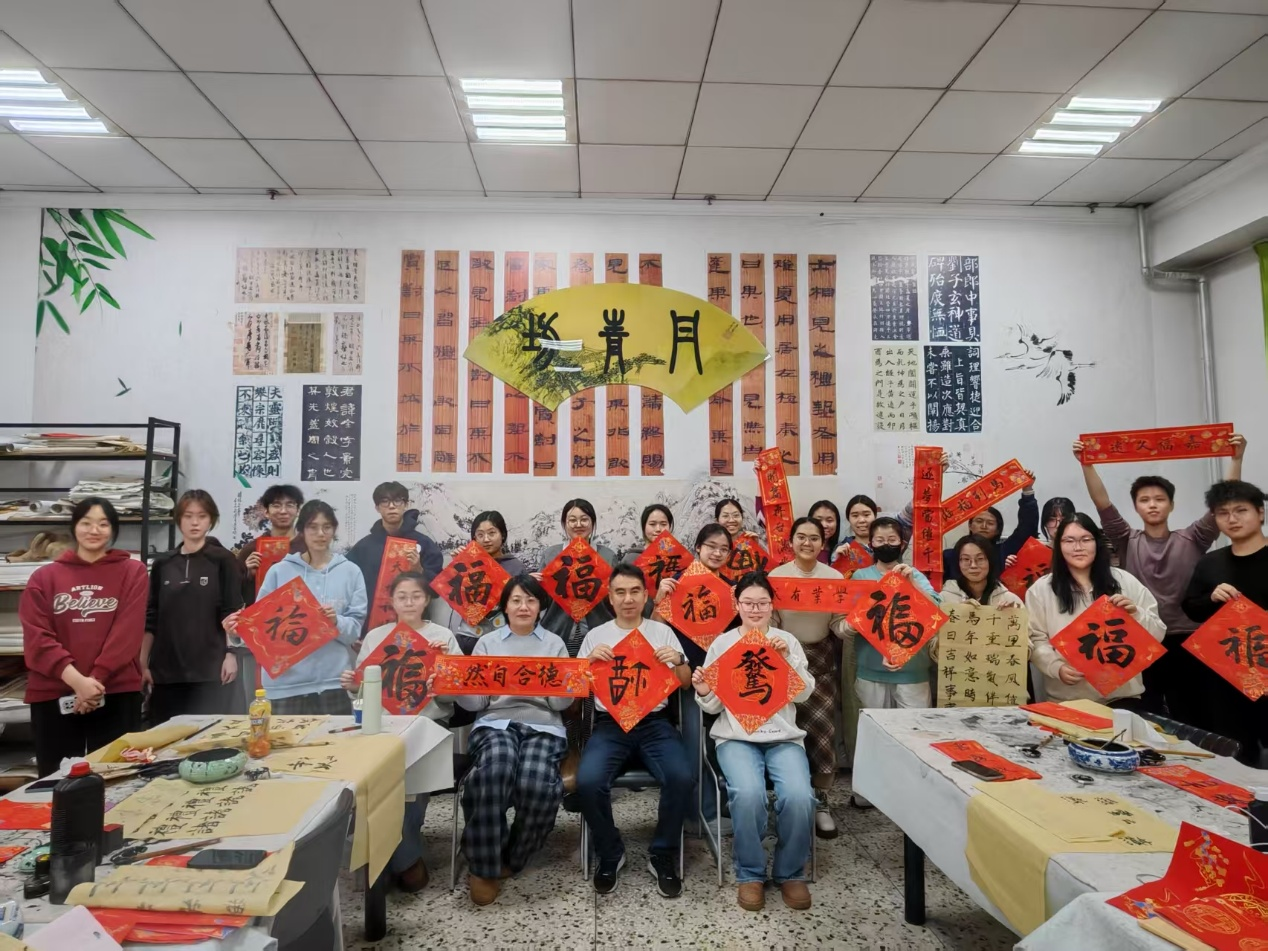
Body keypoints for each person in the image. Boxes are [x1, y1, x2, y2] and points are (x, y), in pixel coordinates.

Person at [1074, 435, 1246, 718]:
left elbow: (1222, 502)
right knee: (1147, 713)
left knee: (1193, 713)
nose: (1152, 505)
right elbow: (1101, 503)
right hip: (1142, 637)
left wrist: (1236, 458)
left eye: (1159, 499)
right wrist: (1087, 464)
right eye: (1144, 500)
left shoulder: (1194, 537)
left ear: (1171, 505)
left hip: (1189, 638)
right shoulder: (1126, 539)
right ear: (1136, 507)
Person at [693, 573, 816, 912]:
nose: (755, 609)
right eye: (748, 603)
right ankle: (750, 872)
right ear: (737, 605)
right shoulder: (722, 644)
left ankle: (790, 871)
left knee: (799, 796)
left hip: (783, 737)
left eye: (762, 603)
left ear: (772, 605)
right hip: (736, 738)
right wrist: (703, 690)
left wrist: (787, 660)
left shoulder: (786, 641)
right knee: (748, 794)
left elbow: (804, 694)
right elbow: (713, 706)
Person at [339, 571, 460, 891]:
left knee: (409, 792)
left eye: (416, 596)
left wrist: (444, 670)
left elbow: (455, 696)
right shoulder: (376, 637)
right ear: (391, 601)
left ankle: (400, 859)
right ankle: (401, 859)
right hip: (381, 727)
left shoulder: (443, 637)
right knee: (372, 790)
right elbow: (363, 695)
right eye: (402, 597)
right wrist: (353, 687)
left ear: (427, 599)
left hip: (427, 726)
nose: (409, 603)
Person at [576, 564, 692, 897]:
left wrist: (679, 660)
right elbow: (576, 690)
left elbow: (685, 684)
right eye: (620, 592)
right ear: (610, 598)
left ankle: (663, 853)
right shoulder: (596, 636)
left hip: (656, 724)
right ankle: (610, 852)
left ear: (645, 596)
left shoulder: (661, 632)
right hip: (610, 725)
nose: (628, 599)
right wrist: (587, 664)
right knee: (588, 782)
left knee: (682, 778)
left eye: (635, 591)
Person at [457, 575, 572, 905]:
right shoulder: (487, 644)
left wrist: (567, 686)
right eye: (516, 600)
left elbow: (559, 706)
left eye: (531, 600)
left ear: (541, 607)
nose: (524, 606)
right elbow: (477, 704)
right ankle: (483, 866)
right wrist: (458, 685)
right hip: (495, 724)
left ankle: (514, 855)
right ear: (505, 607)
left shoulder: (554, 644)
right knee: (495, 769)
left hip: (544, 726)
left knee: (537, 783)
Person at [21, 498, 149, 776]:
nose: (94, 530)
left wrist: (95, 681)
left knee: (118, 779)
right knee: (57, 783)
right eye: (86, 523)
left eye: (103, 524)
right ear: (74, 527)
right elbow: (37, 637)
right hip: (54, 692)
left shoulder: (132, 571)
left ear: (113, 530)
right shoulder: (44, 577)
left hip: (116, 691)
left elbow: (127, 633)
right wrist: (78, 682)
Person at [224, 500, 367, 714]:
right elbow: (261, 626)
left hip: (333, 682)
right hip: (285, 686)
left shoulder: (350, 572)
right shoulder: (279, 571)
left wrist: (336, 621)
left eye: (327, 527)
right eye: (312, 527)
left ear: (334, 530)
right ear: (301, 531)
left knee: (335, 737)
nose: (320, 533)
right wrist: (235, 633)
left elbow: (354, 631)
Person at [844, 517, 940, 807]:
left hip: (912, 672)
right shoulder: (860, 576)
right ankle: (869, 792)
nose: (886, 545)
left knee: (915, 735)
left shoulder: (915, 575)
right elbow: (851, 618)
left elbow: (935, 610)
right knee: (873, 735)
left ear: (903, 543)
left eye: (892, 540)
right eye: (880, 540)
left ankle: (911, 794)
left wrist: (911, 585)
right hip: (870, 668)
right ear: (870, 543)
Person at [1026, 514, 1164, 709]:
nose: (1078, 547)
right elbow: (1036, 639)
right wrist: (1056, 667)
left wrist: (1136, 614)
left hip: (1124, 698)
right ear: (1058, 546)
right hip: (1069, 700)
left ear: (1097, 543)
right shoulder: (1041, 590)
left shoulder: (1124, 581)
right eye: (1069, 541)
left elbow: (1158, 633)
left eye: (1085, 539)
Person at [653, 522, 735, 834]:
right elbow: (654, 632)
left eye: (724, 549)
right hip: (687, 679)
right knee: (692, 745)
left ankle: (721, 806)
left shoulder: (731, 590)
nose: (717, 553)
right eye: (711, 546)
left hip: (722, 680)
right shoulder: (676, 584)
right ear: (698, 548)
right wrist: (660, 599)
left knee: (719, 744)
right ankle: (697, 814)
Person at [769, 517, 846, 839]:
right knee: (785, 731)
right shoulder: (776, 577)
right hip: (783, 659)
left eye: (814, 538)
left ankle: (821, 801)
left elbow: (839, 624)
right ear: (791, 541)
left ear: (822, 543)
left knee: (822, 732)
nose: (807, 543)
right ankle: (785, 795)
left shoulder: (834, 577)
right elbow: (770, 622)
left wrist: (853, 627)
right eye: (801, 537)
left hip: (821, 660)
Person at [1182, 480, 1268, 766]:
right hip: (1226, 677)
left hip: (1266, 667)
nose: (1232, 519)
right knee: (1235, 754)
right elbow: (1191, 608)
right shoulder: (1210, 563)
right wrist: (1211, 598)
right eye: (1223, 513)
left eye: (1241, 510)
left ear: (1260, 513)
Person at [142, 490, 243, 723]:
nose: (195, 522)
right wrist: (142, 664)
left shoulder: (223, 560)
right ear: (179, 519)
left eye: (202, 516)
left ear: (211, 520)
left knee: (210, 735)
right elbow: (152, 616)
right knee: (165, 738)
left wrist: (231, 655)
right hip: (166, 672)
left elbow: (232, 612)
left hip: (211, 670)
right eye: (188, 516)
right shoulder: (163, 564)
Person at [346, 482, 442, 628]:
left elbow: (437, 590)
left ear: (406, 504)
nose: (391, 506)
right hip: (373, 627)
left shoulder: (424, 544)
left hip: (415, 626)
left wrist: (419, 570)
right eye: (385, 501)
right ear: (377, 507)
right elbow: (348, 586)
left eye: (397, 501)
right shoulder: (364, 547)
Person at [432, 511, 528, 652]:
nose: (486, 539)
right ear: (474, 538)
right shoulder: (467, 563)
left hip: (503, 636)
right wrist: (458, 566)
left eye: (492, 533)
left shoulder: (515, 567)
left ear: (502, 535)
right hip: (469, 636)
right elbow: (458, 599)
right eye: (480, 535)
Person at [535, 499, 617, 651]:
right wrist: (533, 586)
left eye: (584, 519)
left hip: (600, 636)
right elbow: (541, 601)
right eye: (572, 520)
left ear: (593, 522)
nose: (578, 524)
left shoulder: (607, 556)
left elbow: (615, 599)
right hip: (557, 633)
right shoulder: (551, 555)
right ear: (564, 524)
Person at [237, 484, 305, 605]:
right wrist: (248, 575)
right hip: (263, 614)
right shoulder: (252, 549)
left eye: (290, 505)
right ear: (266, 512)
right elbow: (233, 595)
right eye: (276, 505)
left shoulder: (308, 548)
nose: (283, 511)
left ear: (298, 511)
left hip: (300, 613)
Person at [940, 535, 1023, 610]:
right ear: (958, 562)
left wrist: (1012, 614)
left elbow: (1023, 621)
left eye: (980, 559)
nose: (973, 565)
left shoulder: (1009, 599)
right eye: (966, 559)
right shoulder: (943, 599)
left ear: (990, 561)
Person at [807, 501, 841, 566]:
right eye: (818, 520)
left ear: (837, 523)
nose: (824, 525)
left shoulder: (841, 551)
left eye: (829, 520)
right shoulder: (801, 548)